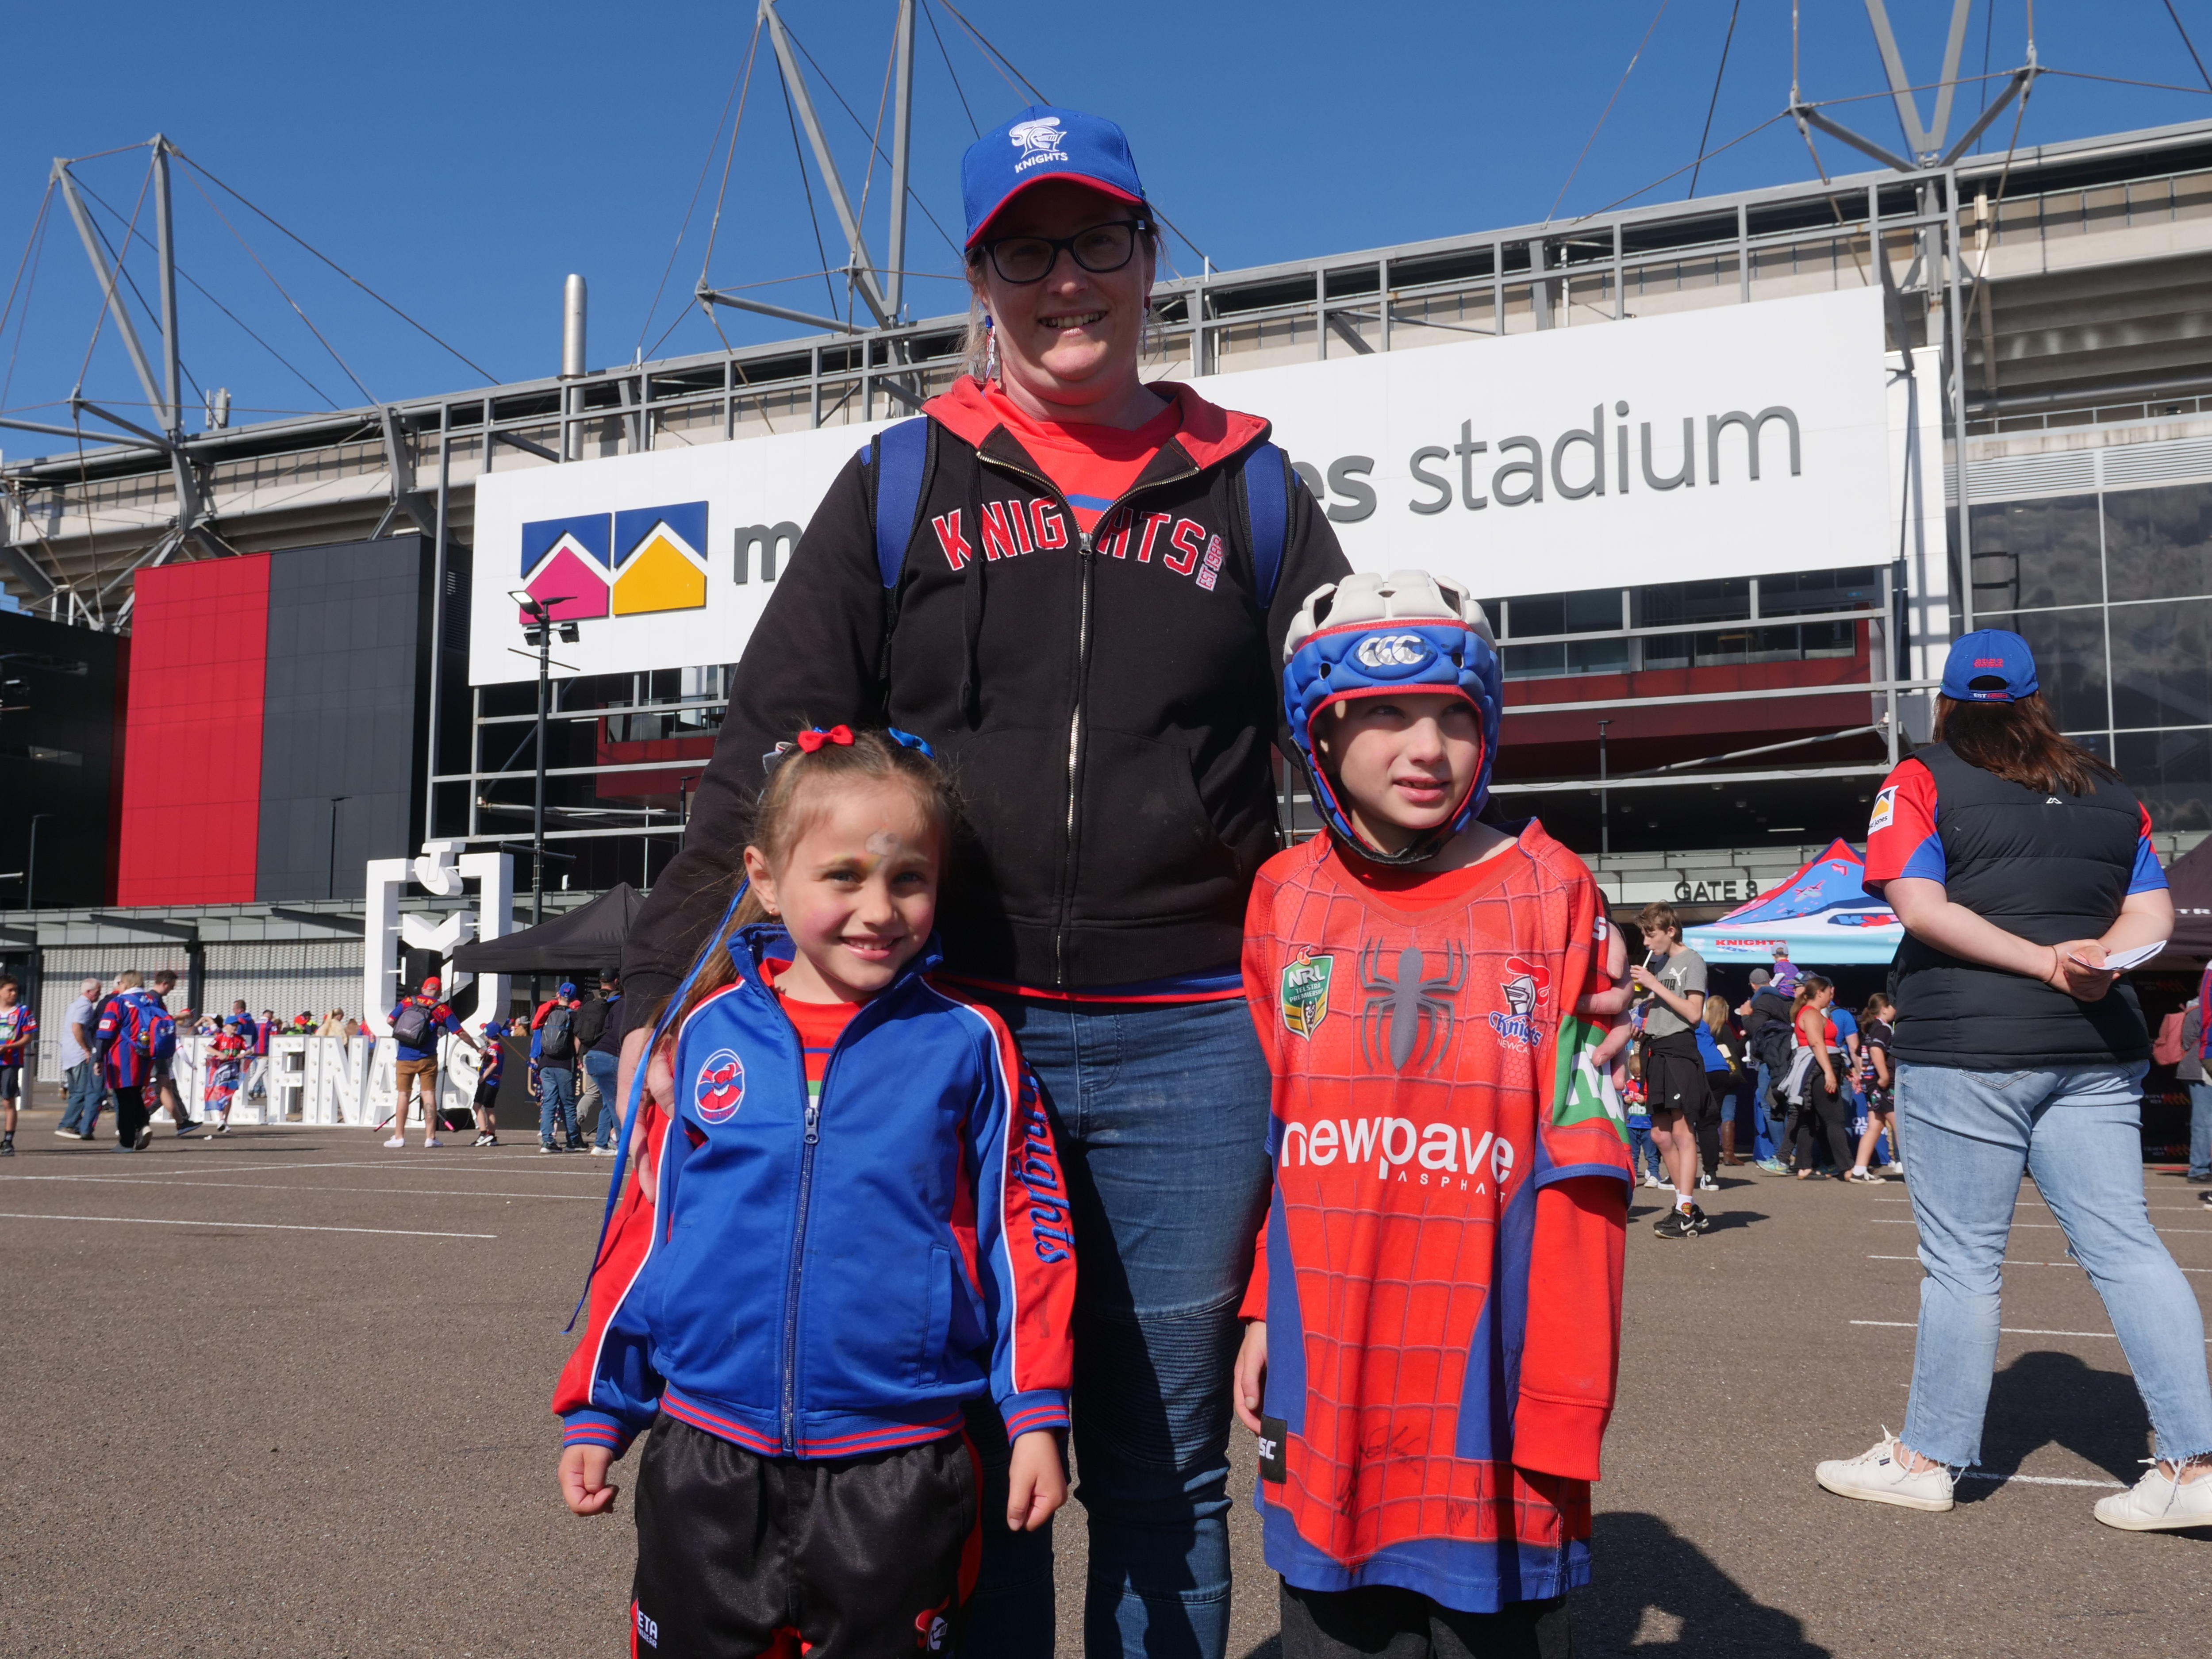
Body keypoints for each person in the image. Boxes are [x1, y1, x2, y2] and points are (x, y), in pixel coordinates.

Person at [611, 105, 1351, 1657]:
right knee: (973, 1462)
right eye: (1028, 247)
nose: (1066, 279)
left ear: (1153, 258)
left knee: (1163, 1475)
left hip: (1193, 1039)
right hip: (947, 1035)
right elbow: (767, 744)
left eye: (1098, 241)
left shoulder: (1255, 492)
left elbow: (1366, 736)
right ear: (982, 275)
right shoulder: (902, 482)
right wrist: (663, 991)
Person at [555, 726, 1073, 1654]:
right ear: (763, 877)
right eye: (843, 876)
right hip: (704, 1456)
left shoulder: (969, 1044)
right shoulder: (702, 1036)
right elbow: (641, 1230)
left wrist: (1035, 1412)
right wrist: (601, 1404)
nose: (879, 908)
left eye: (907, 879)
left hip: (898, 1465)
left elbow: (1026, 1234)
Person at [1232, 571, 1631, 1654]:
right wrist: (1266, 1308)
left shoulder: (1553, 893)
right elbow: (1284, 1133)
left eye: (1455, 713)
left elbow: (1588, 1169)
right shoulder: (1282, 896)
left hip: (1489, 1394)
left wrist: (1563, 1400)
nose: (1427, 745)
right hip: (1331, 1373)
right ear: (1319, 727)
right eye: (1384, 714)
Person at [1817, 628, 2212, 1531]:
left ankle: (1927, 1458)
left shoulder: (1918, 778)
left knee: (1962, 1264)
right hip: (2090, 1047)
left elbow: (1919, 905)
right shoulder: (2110, 793)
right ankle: (2193, 1465)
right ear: (2035, 699)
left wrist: (2040, 963)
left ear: (1947, 703)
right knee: (2125, 1245)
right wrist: (2095, 960)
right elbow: (2152, 910)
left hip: (1967, 1047)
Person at [1632, 903, 1713, 1237]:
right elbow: (1665, 1005)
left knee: (1681, 1133)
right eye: (1644, 936)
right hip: (1656, 1049)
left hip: (1679, 1050)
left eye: (1651, 935)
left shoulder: (1691, 961)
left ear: (1670, 931)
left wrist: (1655, 984)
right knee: (1659, 1134)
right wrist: (1644, 1016)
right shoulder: (1663, 964)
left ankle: (1683, 1209)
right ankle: (1688, 1207)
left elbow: (1694, 1014)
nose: (1647, 944)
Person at [384, 975, 479, 1150]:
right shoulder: (442, 1009)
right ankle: (430, 1137)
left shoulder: (407, 1002)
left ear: (424, 988)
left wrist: (405, 1034)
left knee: (403, 1095)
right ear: (440, 992)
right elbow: (460, 1032)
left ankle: (399, 1137)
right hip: (428, 1058)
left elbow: (390, 1020)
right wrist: (477, 1048)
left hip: (405, 1057)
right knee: (428, 1095)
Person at [94, 970, 177, 1152]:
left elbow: (105, 1032)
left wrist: (99, 1057)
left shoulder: (117, 1003)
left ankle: (126, 1141)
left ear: (125, 984)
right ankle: (143, 1123)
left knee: (123, 1097)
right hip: (146, 1053)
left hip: (122, 1052)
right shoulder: (153, 1001)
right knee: (133, 1093)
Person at [1787, 976, 1853, 1180]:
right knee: (1835, 1119)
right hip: (1818, 1070)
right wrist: (1829, 1073)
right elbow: (1817, 1044)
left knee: (1811, 1120)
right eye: (1828, 992)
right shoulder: (1811, 1014)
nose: (1831, 996)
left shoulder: (1812, 1013)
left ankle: (1804, 1166)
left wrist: (1843, 1069)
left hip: (1822, 1067)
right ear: (1820, 993)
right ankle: (1847, 1169)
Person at [1738, 965, 1796, 1173]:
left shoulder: (1761, 1000)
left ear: (1753, 986)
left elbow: (1757, 1031)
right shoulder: (1786, 998)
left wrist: (1746, 1015)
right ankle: (1792, 1152)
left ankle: (1782, 1156)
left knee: (1768, 1103)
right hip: (1791, 1056)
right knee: (1789, 1104)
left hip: (1772, 1059)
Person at [1847, 992, 1899, 1181]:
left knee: (1874, 1127)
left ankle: (1859, 1171)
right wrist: (1884, 1077)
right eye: (1894, 1006)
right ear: (1885, 1008)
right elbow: (1876, 1050)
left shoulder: (1871, 1028)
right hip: (1883, 1085)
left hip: (1872, 1085)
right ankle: (1917, 1176)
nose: (1896, 1010)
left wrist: (1864, 1077)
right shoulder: (1883, 1028)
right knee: (1899, 1126)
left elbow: (1861, 1054)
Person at [529, 982, 585, 1154]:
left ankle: (547, 1141)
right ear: (574, 998)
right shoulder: (575, 1016)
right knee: (568, 1104)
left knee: (549, 1103)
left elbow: (536, 1030)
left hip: (546, 1064)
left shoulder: (548, 1013)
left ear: (558, 995)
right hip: (564, 1064)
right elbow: (579, 1040)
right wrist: (576, 1057)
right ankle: (573, 1141)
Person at [1697, 993, 1743, 1176]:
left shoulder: (1703, 1030)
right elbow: (1735, 1052)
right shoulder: (1724, 1030)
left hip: (1704, 1074)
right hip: (1725, 1076)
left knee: (1706, 1117)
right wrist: (1746, 1038)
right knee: (1727, 1114)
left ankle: (1706, 1151)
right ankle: (1728, 1154)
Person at [55, 977, 104, 1141]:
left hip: (69, 1053)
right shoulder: (85, 1006)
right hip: (78, 1054)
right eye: (97, 992)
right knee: (81, 1092)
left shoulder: (75, 1004)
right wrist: (86, 1049)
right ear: (89, 992)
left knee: (76, 1091)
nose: (99, 995)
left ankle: (75, 1125)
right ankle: (67, 1124)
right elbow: (77, 1027)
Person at [581, 969, 622, 1155]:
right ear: (616, 981)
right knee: (615, 1102)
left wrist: (578, 1056)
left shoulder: (590, 999)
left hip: (590, 1055)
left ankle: (600, 1145)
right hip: (610, 1055)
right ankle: (622, 1143)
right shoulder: (621, 1001)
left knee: (607, 1100)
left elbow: (579, 1030)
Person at [0, 976, 32, 1155]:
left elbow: (28, 1037)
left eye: (15, 990)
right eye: (9, 990)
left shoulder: (23, 1012)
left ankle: (8, 1141)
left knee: (8, 1101)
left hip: (10, 1062)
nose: (14, 993)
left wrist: (8, 1047)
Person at [203, 1016, 249, 1136]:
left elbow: (250, 1049)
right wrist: (219, 1054)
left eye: (236, 1025)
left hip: (235, 1069)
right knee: (222, 1092)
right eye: (233, 1025)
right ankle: (221, 1119)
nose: (235, 1027)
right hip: (222, 1069)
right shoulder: (220, 1037)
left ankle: (225, 1120)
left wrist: (243, 1055)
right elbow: (208, 1048)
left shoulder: (240, 1039)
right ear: (226, 1026)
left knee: (230, 1094)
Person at [2189, 970, 2212, 1187]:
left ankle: (2201, 1167)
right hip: (2198, 1069)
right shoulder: (2196, 1011)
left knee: (2205, 1121)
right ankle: (2199, 1168)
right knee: (2204, 1121)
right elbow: (2188, 1040)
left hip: (2202, 1065)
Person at [469, 1018, 507, 1148]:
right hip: (489, 1082)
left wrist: (483, 1077)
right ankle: (486, 1133)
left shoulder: (495, 1048)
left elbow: (494, 1063)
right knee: (477, 1106)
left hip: (491, 1082)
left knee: (488, 1108)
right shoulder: (493, 1048)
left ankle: (488, 1134)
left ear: (488, 1035)